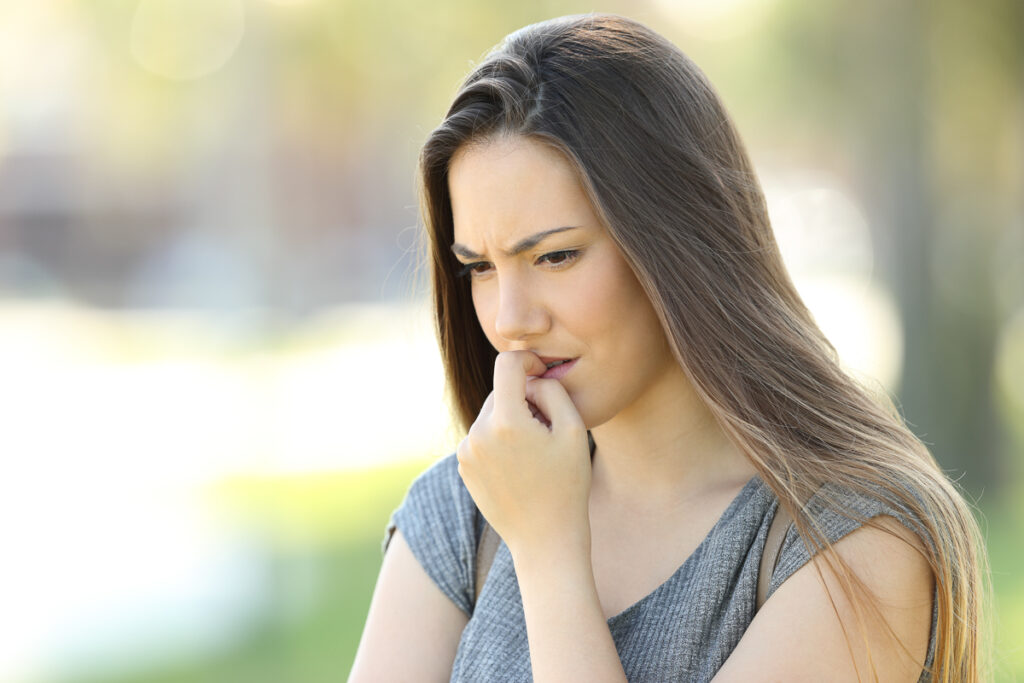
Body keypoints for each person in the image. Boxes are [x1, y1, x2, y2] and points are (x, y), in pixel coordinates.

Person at [349, 13, 987, 682]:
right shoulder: (463, 515)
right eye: (479, 267)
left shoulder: (855, 541)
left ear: (674, 241)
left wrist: (547, 554)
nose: (510, 321)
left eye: (556, 255)